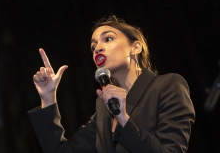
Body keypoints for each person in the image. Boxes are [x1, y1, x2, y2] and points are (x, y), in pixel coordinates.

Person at [28, 16, 195, 153]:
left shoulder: (167, 85)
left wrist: (122, 118)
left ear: (135, 47)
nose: (98, 48)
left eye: (108, 39)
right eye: (93, 47)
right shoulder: (103, 107)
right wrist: (48, 96)